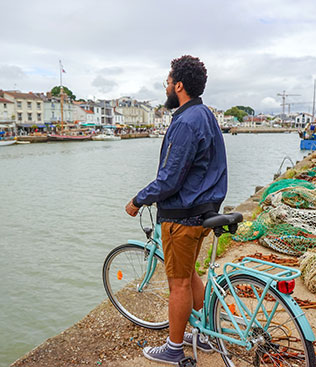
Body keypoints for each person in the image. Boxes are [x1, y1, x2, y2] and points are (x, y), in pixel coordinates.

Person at [125, 55, 228, 365]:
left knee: (179, 283)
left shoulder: (184, 122)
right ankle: (205, 335)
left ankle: (173, 348)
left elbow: (169, 179)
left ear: (178, 85)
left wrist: (139, 199)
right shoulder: (206, 115)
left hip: (182, 216)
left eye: (167, 83)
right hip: (204, 211)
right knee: (189, 275)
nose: (166, 88)